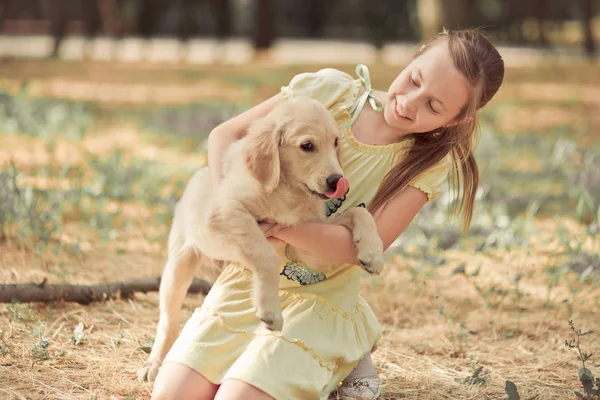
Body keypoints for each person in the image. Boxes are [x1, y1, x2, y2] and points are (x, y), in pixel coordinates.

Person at [151, 28, 504, 400]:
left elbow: (364, 247)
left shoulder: (425, 162)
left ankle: (343, 355)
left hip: (320, 296)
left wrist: (276, 226)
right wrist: (236, 204)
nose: (410, 103)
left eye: (434, 106)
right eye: (415, 79)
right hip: (251, 282)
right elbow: (225, 134)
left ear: (454, 121)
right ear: (414, 58)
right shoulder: (330, 92)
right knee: (172, 396)